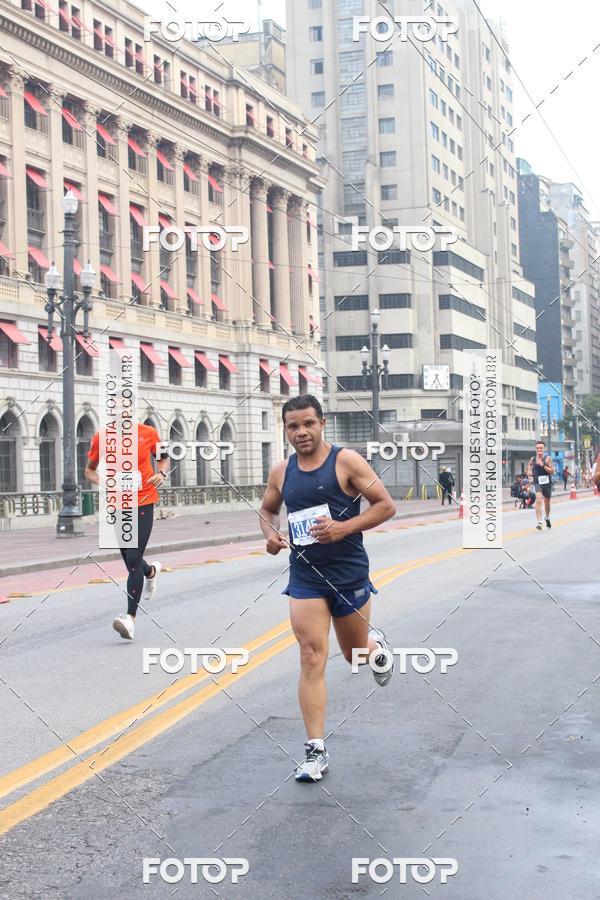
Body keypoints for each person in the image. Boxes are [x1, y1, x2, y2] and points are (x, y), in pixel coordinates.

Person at [259, 394, 396, 783]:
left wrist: (342, 528)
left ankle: (374, 648)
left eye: (307, 424)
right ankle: (315, 750)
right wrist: (270, 535)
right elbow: (267, 509)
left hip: (349, 573)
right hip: (305, 577)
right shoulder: (282, 472)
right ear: (285, 430)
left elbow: (385, 505)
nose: (300, 432)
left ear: (322, 424)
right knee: (311, 654)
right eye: (292, 426)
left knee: (353, 652)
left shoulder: (346, 461)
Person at [85, 421, 169, 640]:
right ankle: (150, 572)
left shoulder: (148, 433)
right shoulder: (101, 437)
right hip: (118, 505)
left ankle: (130, 619)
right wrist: (107, 483)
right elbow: (89, 471)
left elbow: (163, 458)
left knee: (133, 557)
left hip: (144, 500)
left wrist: (161, 473)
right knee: (130, 557)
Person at [527, 439, 555, 530]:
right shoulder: (533, 459)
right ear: (536, 449)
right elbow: (529, 469)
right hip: (537, 482)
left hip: (547, 483)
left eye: (541, 448)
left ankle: (547, 517)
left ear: (544, 449)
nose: (539, 449)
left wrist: (543, 465)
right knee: (538, 499)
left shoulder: (548, 458)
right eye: (537, 448)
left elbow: (552, 471)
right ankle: (539, 522)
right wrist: (530, 474)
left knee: (547, 501)